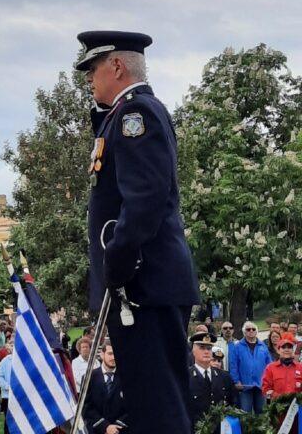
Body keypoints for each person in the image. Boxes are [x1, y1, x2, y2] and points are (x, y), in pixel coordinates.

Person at [78, 30, 201, 433]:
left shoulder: (136, 116)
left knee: (159, 407)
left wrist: (117, 261)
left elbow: (145, 198)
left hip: (143, 284)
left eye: (94, 69)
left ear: (116, 65)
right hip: (141, 286)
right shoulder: (119, 117)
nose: (90, 80)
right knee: (152, 405)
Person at [187, 332, 235, 429]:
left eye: (209, 348)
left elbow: (234, 403)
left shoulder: (224, 377)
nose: (206, 351)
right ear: (193, 351)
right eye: (202, 348)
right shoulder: (185, 377)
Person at [82, 340, 128, 433]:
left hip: (121, 430)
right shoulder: (89, 377)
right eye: (110, 354)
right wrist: (105, 427)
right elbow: (86, 407)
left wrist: (117, 426)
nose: (114, 357)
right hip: (98, 430)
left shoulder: (127, 376)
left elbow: (133, 405)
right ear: (102, 355)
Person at [229, 321, 272, 414]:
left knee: (262, 411)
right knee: (245, 412)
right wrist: (236, 381)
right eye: (248, 329)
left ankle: (261, 429)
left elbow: (269, 365)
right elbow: (233, 366)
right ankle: (246, 429)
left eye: (253, 329)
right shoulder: (237, 347)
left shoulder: (263, 346)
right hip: (244, 386)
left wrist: (269, 381)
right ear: (244, 332)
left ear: (257, 332)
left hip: (261, 386)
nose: (251, 331)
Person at [262, 332, 302, 400]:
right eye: (283, 347)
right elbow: (266, 390)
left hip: (297, 405)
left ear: (292, 350)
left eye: (289, 347)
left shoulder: (300, 367)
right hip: (278, 405)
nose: (287, 350)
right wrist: (279, 398)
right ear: (278, 351)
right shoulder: (270, 368)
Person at [0, 351, 13, 434]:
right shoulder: (5, 361)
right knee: (8, 420)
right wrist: (7, 387)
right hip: (8, 396)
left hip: (21, 396)